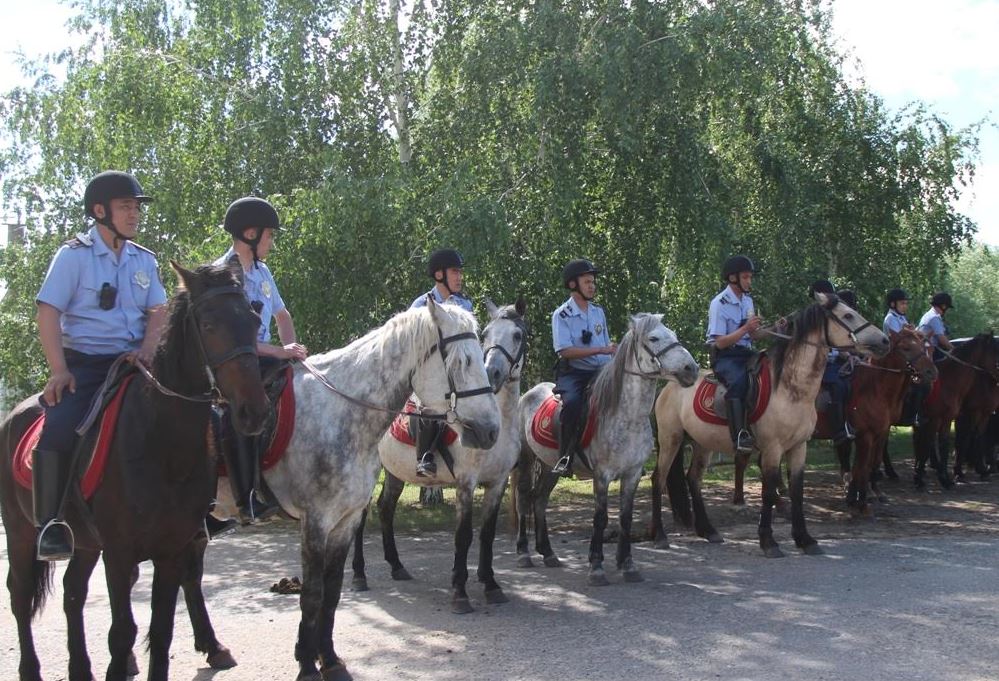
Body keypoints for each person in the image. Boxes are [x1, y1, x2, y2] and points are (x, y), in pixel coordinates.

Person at [33, 170, 168, 560]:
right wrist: (59, 371)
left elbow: (158, 310)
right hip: (87, 366)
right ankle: (50, 524)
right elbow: (47, 313)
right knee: (58, 428)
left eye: (136, 207)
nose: (134, 214)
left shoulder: (144, 260)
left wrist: (146, 349)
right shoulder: (72, 256)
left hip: (135, 362)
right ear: (99, 210)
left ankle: (201, 509)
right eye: (126, 206)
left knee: (196, 410)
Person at [212, 197, 307, 527]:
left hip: (262, 359)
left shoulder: (262, 271)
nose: (272, 241)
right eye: (269, 235)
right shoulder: (223, 276)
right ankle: (247, 497)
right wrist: (280, 352)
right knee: (243, 413)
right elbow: (239, 340)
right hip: (235, 365)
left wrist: (291, 346)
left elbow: (282, 314)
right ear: (250, 234)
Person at [410, 248, 473, 477]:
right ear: (439, 275)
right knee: (431, 404)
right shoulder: (420, 305)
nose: (460, 277)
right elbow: (412, 346)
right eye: (455, 272)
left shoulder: (465, 305)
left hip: (460, 372)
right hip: (429, 373)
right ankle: (424, 456)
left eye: (460, 272)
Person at [551, 258, 616, 474]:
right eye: (587, 282)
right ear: (573, 285)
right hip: (575, 373)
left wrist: (613, 352)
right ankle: (565, 457)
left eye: (593, 282)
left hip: (602, 371)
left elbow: (606, 345)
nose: (592, 286)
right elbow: (564, 351)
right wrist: (600, 350)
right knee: (573, 405)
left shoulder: (598, 312)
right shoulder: (561, 315)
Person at [707, 255, 761, 453]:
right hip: (725, 356)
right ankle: (739, 435)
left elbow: (753, 336)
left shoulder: (748, 301)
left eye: (750, 277)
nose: (749, 281)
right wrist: (746, 328)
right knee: (738, 381)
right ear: (733, 278)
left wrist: (776, 329)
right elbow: (720, 342)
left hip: (745, 353)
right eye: (746, 277)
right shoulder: (719, 303)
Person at [810, 279, 854, 444]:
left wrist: (847, 354)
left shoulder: (831, 315)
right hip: (819, 363)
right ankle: (838, 430)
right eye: (827, 294)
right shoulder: (812, 317)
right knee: (838, 385)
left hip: (835, 361)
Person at [918, 292, 955, 361]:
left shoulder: (929, 315)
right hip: (931, 351)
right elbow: (942, 340)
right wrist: (954, 350)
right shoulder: (933, 318)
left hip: (929, 349)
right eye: (947, 307)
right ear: (943, 306)